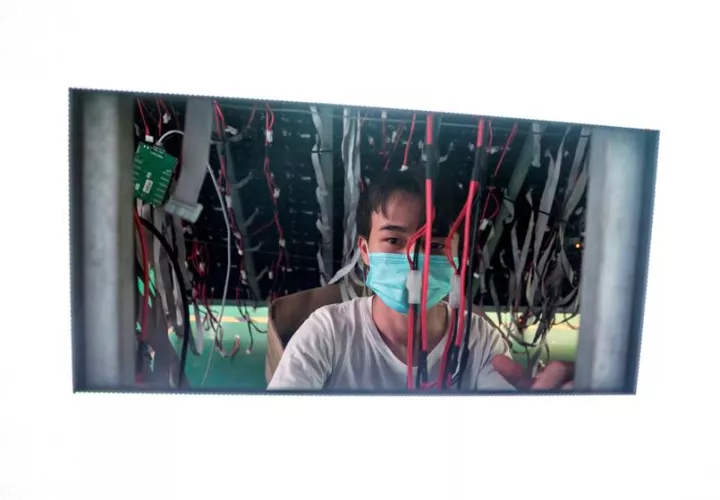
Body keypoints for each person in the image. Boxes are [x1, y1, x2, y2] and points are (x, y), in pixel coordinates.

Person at [267, 169, 574, 391]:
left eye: (435, 244)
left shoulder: (478, 340)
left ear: (458, 254)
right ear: (365, 250)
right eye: (393, 240)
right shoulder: (327, 332)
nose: (413, 259)